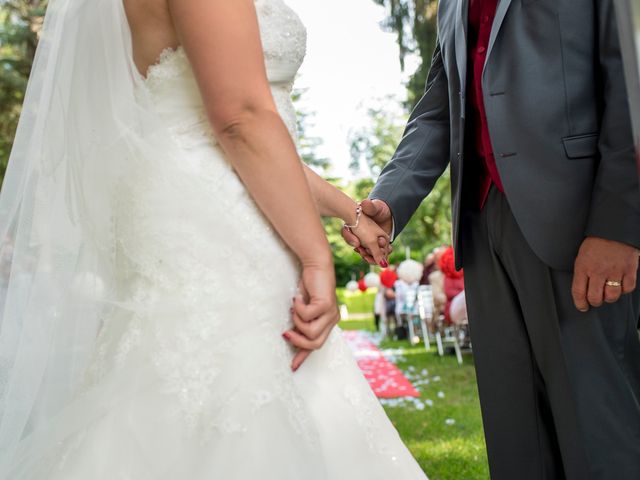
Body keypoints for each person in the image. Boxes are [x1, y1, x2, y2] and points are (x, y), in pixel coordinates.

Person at [0, 1, 429, 478]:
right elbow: (240, 120)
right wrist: (315, 256)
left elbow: (237, 134)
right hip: (215, 214)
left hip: (204, 190)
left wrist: (349, 209)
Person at [344, 0, 640, 478]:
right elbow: (437, 109)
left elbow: (631, 74)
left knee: (600, 437)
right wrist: (390, 201)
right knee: (516, 442)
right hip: (482, 229)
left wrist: (618, 225)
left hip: (579, 225)